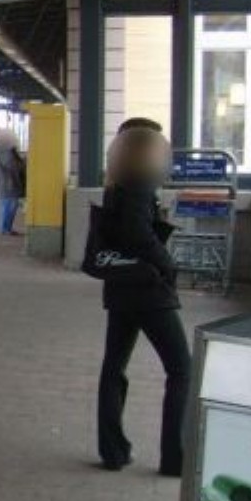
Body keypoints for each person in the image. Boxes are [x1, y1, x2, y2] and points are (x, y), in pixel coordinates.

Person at [96, 124, 189, 477]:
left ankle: (112, 450)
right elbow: (139, 235)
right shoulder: (139, 188)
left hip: (121, 289)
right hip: (148, 292)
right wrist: (168, 264)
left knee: (114, 368)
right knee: (181, 369)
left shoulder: (116, 186)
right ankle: (174, 456)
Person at [0, 130, 26, 236]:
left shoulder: (0, 150)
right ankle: (5, 228)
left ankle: (5, 228)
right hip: (8, 183)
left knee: (7, 205)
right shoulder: (5, 151)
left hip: (5, 183)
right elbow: (12, 166)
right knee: (10, 206)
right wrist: (23, 163)